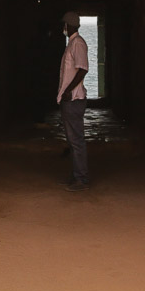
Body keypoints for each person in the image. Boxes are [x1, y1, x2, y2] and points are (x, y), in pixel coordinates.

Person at [57, 11, 90, 192]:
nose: (63, 28)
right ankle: (77, 176)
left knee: (76, 141)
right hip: (69, 99)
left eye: (64, 24)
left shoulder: (77, 44)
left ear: (69, 26)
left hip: (74, 100)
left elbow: (83, 69)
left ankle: (81, 179)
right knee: (73, 141)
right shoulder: (72, 44)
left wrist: (69, 91)